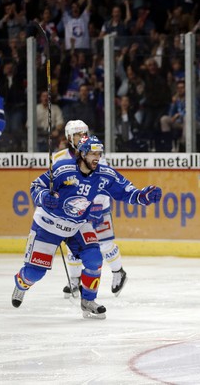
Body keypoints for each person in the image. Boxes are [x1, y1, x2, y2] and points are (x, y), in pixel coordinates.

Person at [12, 135, 162, 319]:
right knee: (34, 273)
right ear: (82, 153)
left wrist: (142, 197)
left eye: (99, 153)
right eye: (92, 153)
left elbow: (125, 192)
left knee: (94, 258)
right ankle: (21, 284)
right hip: (48, 224)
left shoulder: (104, 175)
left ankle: (88, 300)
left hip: (77, 225)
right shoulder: (62, 169)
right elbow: (36, 186)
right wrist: (43, 197)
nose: (97, 157)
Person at [53, 121, 128, 299]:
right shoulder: (59, 157)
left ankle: (119, 272)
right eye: (77, 134)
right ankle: (74, 280)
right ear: (69, 138)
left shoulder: (96, 155)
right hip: (72, 210)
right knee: (74, 247)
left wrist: (97, 206)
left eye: (83, 133)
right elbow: (55, 183)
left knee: (104, 244)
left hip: (96, 207)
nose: (81, 137)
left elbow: (104, 183)